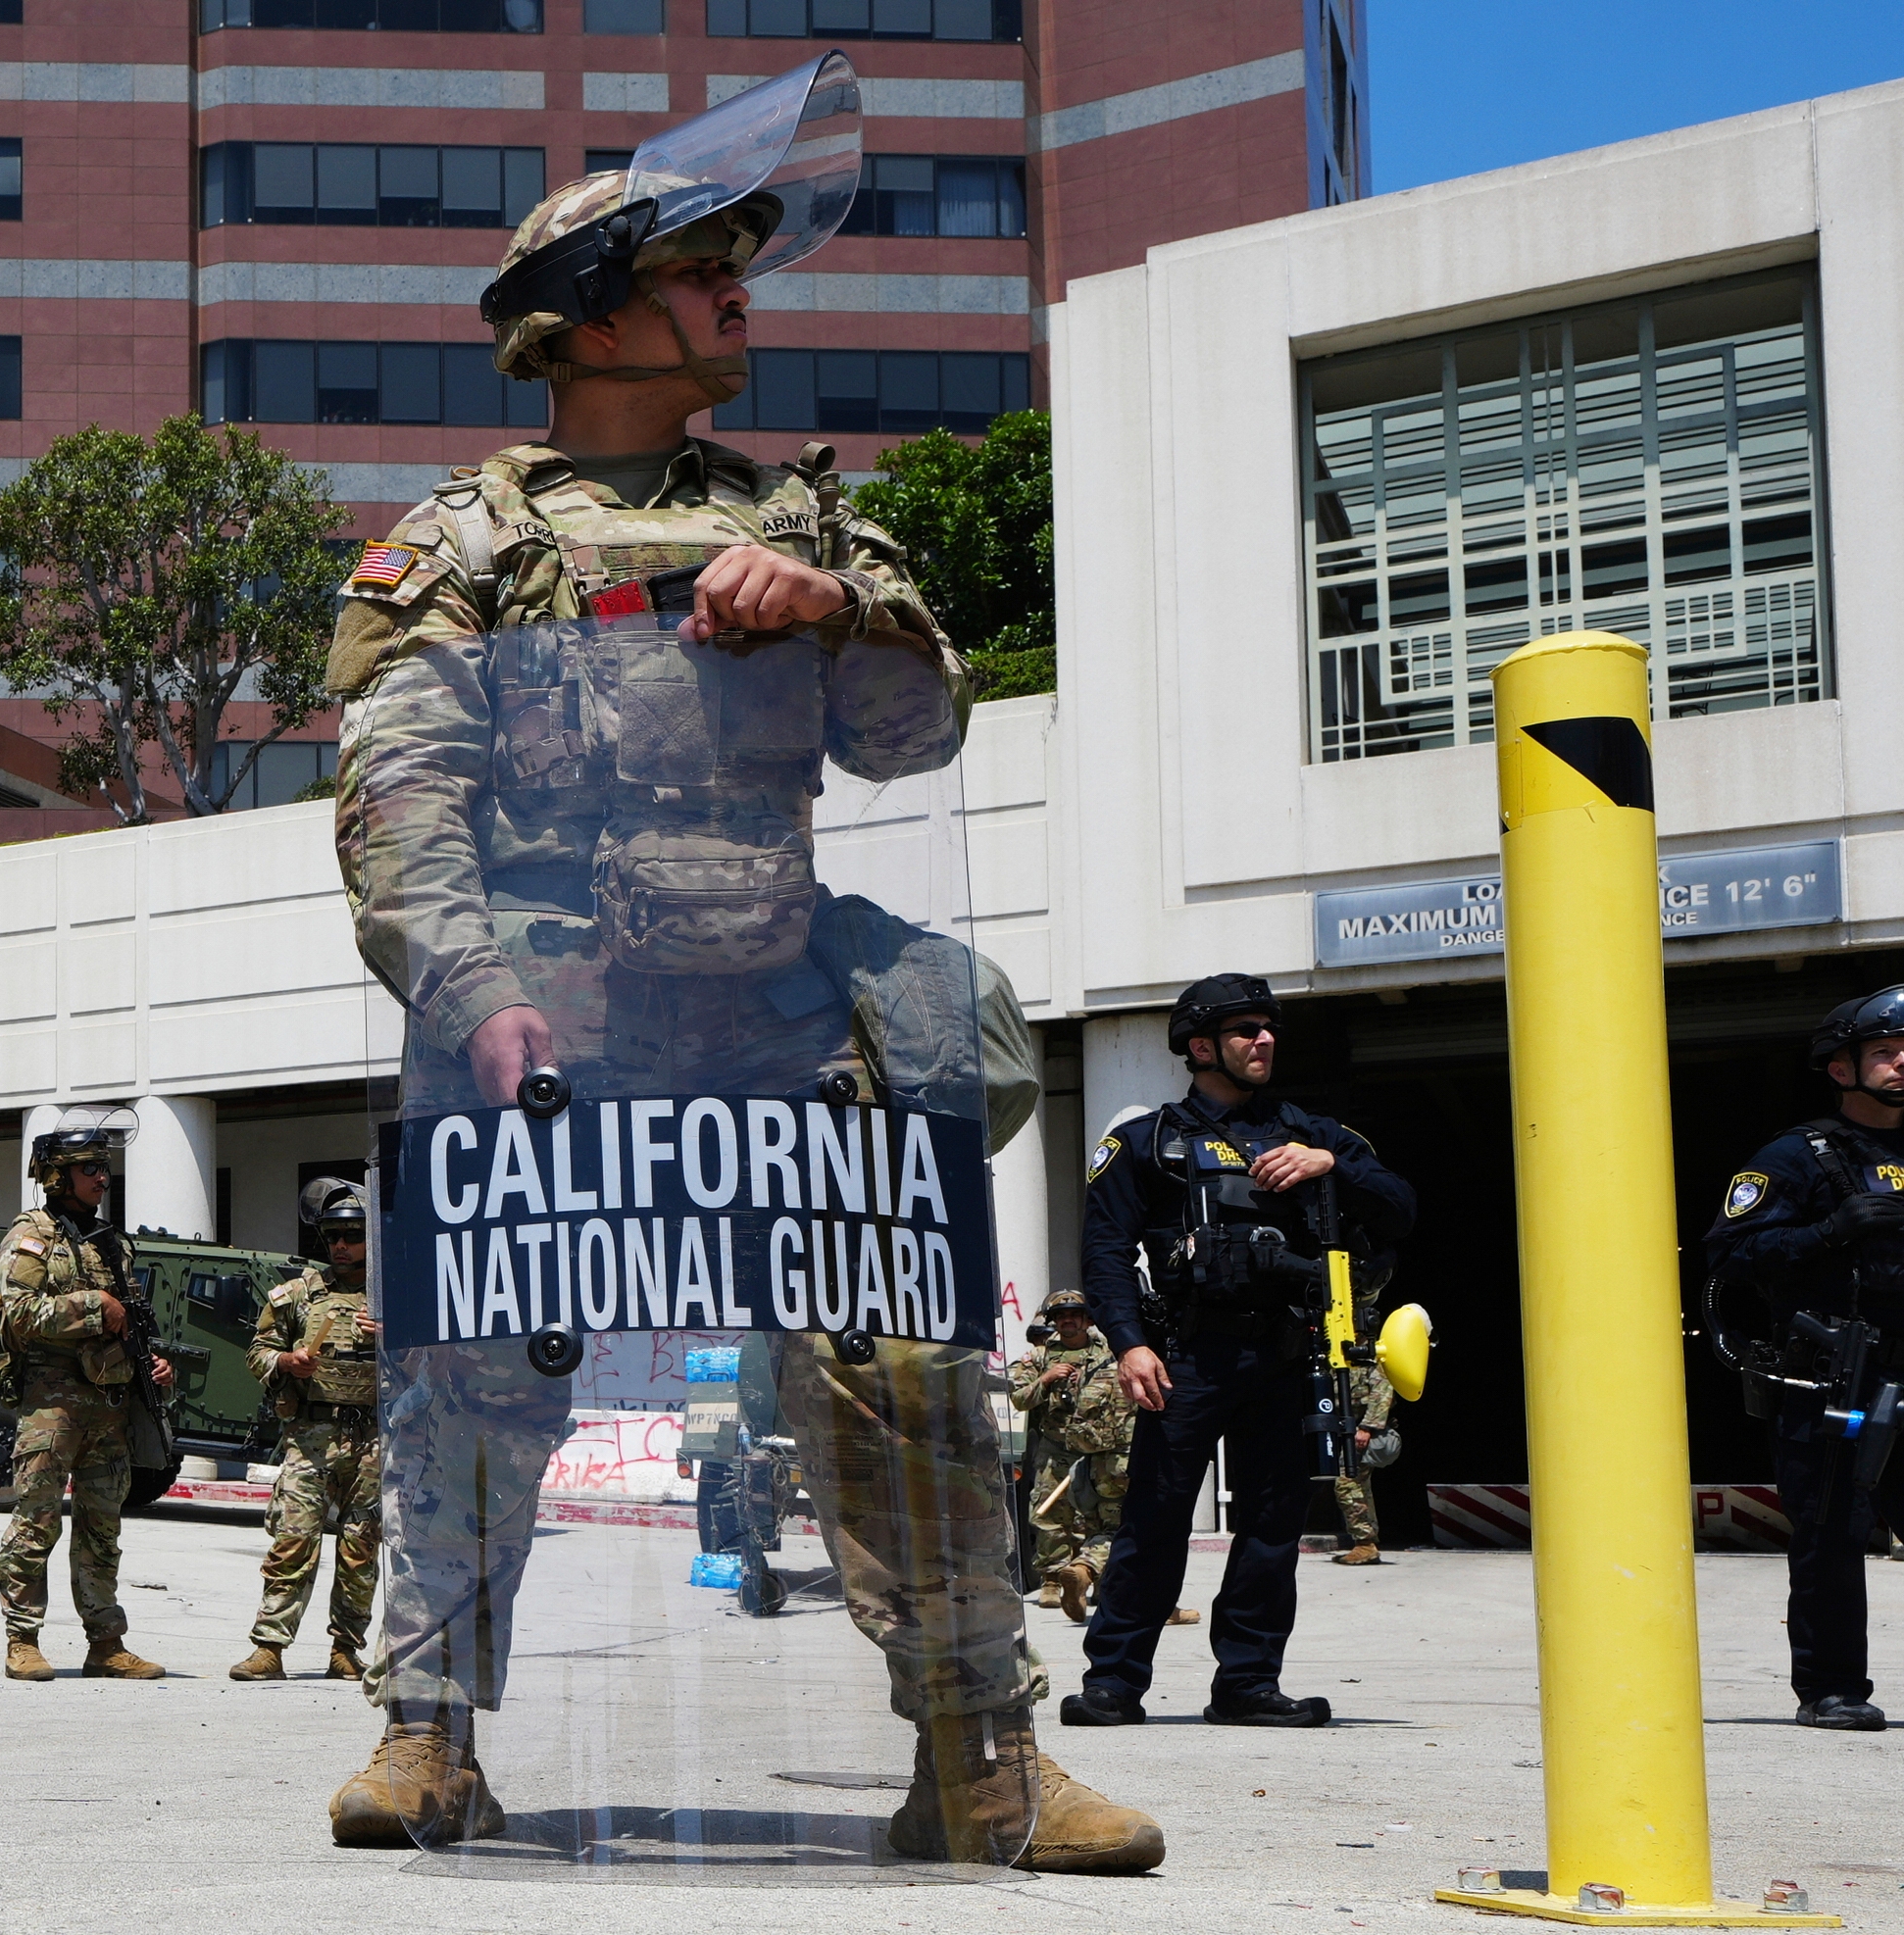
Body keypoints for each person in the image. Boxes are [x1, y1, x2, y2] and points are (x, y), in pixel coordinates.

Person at [325, 116, 1162, 1876]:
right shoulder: (457, 543)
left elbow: (912, 736)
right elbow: (400, 797)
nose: (733, 293)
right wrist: (472, 987)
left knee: (890, 1349)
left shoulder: (795, 513)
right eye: (694, 270)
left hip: (774, 996)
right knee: (479, 1352)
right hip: (554, 1011)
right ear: (589, 317)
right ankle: (432, 1729)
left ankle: (980, 1752)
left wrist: (841, 607)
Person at [1064, 974, 1416, 1729]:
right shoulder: (1145, 1141)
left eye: (1269, 1029)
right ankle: (1114, 1683)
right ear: (1200, 1046)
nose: (1265, 1041)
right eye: (1246, 1030)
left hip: (1288, 1360)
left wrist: (1331, 1167)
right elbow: (1104, 1252)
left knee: (1271, 1527)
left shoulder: (1314, 1133)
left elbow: (1400, 1208)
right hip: (1186, 1359)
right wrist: (1128, 1345)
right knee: (1153, 1521)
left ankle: (1248, 1683)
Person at [1703, 987, 1904, 1730]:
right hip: (1838, 1376)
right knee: (1832, 1533)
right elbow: (1728, 1253)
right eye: (1885, 1051)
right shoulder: (1798, 1156)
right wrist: (1829, 1233)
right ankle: (1831, 1689)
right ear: (1842, 1068)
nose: (1901, 1063)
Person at [0, 1106, 174, 1684]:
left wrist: (152, 1364)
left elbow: (130, 1323)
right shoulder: (31, 1237)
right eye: (89, 1169)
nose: (102, 1179)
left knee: (102, 1529)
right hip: (52, 1407)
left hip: (109, 1408)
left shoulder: (109, 1245)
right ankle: (22, 1639)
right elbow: (19, 1315)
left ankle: (106, 1643)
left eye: (104, 1169)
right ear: (57, 1176)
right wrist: (98, 1307)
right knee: (37, 1520)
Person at [232, 1178, 381, 1684]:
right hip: (310, 1438)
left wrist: (392, 1339)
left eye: (354, 1234)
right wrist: (286, 1362)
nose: (341, 1244)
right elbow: (256, 1351)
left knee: (361, 1548)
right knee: (292, 1542)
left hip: (372, 1441)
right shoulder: (298, 1294)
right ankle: (269, 1647)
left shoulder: (396, 1297)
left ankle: (346, 1648)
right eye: (334, 1235)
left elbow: (432, 1363)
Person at [1011, 1291, 1199, 1627]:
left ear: (1088, 1319)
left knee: (1099, 1525)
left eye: (1075, 1315)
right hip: (1080, 1452)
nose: (1068, 1321)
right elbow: (1019, 1396)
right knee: (1098, 1523)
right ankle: (1068, 1577)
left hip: (1101, 1456)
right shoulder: (1044, 1357)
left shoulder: (1109, 1353)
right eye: (1062, 1316)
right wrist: (1047, 1380)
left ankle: (1100, 1585)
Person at [1329, 1360, 1397, 1564]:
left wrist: (1367, 1427)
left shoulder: (1371, 1358)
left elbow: (1383, 1392)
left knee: (1347, 1483)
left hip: (1363, 1432)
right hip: (1347, 1431)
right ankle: (1367, 1543)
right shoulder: (1335, 1358)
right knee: (1359, 1485)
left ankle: (1365, 1543)